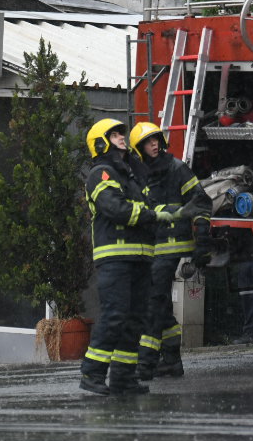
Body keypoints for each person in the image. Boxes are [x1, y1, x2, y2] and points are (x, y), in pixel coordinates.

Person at [79, 118, 178, 396]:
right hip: (115, 257)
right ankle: (92, 373)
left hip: (141, 257)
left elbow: (146, 205)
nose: (122, 137)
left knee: (135, 319)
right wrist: (151, 216)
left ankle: (123, 377)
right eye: (114, 135)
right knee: (115, 315)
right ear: (101, 142)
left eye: (121, 134)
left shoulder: (132, 174)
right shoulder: (101, 173)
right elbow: (116, 208)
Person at [129, 121, 208, 379]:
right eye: (148, 142)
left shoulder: (176, 168)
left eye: (156, 140)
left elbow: (200, 201)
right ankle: (172, 360)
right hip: (149, 249)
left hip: (172, 248)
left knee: (153, 302)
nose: (154, 145)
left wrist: (203, 237)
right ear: (138, 148)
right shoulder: (136, 174)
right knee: (160, 304)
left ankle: (146, 363)